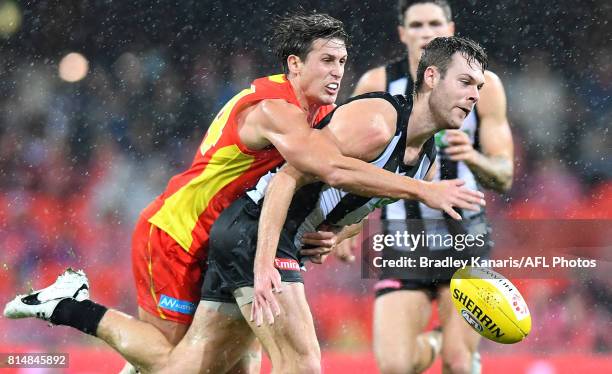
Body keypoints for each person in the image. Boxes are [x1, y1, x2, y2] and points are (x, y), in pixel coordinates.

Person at [4, 13, 482, 374]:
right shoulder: (286, 112)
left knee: (195, 367)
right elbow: (313, 172)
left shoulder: (327, 121)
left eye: (342, 61)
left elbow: (351, 192)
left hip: (228, 228)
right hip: (183, 226)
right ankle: (72, 305)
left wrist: (333, 234)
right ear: (294, 64)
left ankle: (71, 307)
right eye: (327, 61)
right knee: (292, 364)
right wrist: (423, 190)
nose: (339, 73)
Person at [199, 36, 489, 374]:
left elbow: (365, 198)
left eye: (480, 86)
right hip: (256, 232)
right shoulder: (378, 121)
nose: (474, 95)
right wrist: (263, 263)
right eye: (465, 82)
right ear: (432, 77)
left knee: (200, 363)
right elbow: (286, 179)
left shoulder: (424, 157)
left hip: (252, 236)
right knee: (301, 364)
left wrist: (335, 233)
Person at [351, 2, 514, 373]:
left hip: (464, 234)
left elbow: (503, 175)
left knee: (457, 364)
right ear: (402, 33)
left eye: (435, 23)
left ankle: (456, 348)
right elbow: (352, 163)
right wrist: (348, 228)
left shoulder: (485, 86)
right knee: (396, 366)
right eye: (417, 24)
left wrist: (472, 157)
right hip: (403, 237)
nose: (427, 30)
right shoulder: (378, 85)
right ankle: (443, 337)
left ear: (451, 27)